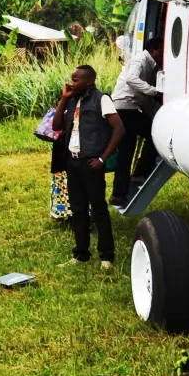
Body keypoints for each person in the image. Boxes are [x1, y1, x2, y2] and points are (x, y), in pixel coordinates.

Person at [52, 65, 125, 270]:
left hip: (91, 163)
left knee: (98, 209)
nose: (72, 83)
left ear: (89, 81)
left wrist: (102, 159)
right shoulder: (72, 100)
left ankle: (106, 257)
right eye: (72, 79)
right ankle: (81, 254)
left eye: (76, 80)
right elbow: (57, 126)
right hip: (72, 161)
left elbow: (119, 129)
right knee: (77, 209)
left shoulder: (101, 99)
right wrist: (64, 98)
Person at [110, 42, 166, 209]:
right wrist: (153, 91)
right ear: (154, 50)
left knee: (126, 154)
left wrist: (159, 113)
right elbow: (131, 79)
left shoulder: (151, 66)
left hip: (126, 109)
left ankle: (118, 195)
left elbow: (144, 100)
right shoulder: (140, 60)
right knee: (155, 134)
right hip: (125, 109)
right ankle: (140, 173)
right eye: (162, 50)